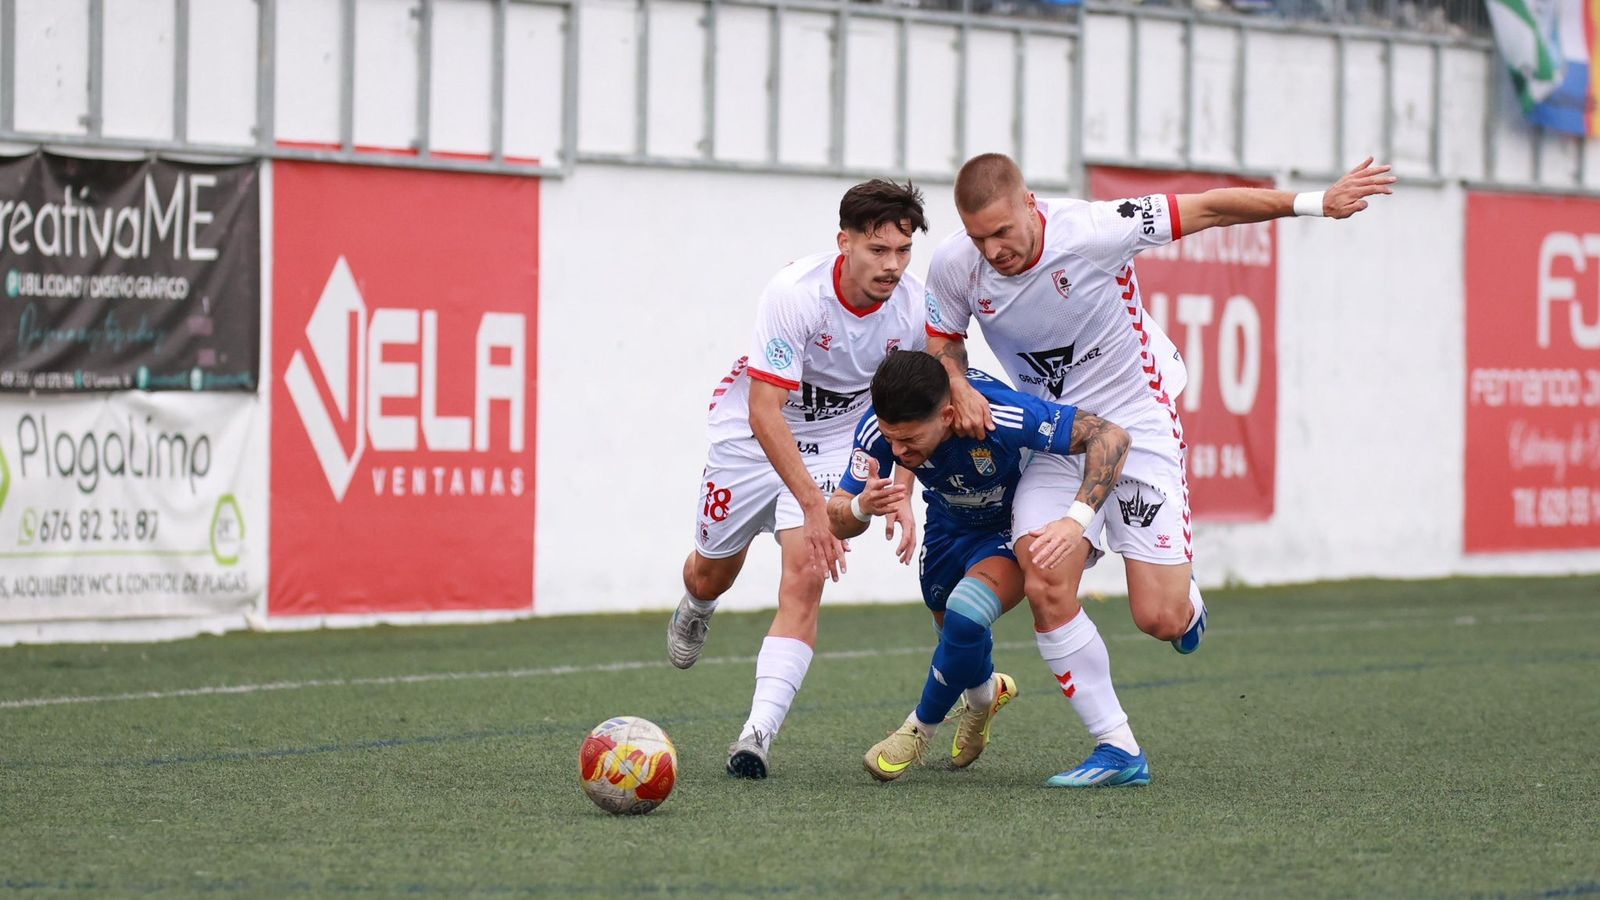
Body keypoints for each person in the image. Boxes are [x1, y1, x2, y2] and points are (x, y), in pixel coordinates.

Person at [924, 153, 1395, 785]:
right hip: (1060, 437)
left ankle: (1187, 605)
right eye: (979, 237)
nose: (993, 249)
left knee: (1159, 619)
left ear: (1031, 204)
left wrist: (1315, 201)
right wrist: (957, 382)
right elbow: (942, 342)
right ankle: (1118, 749)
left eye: (1003, 232)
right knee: (1043, 572)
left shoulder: (1094, 230)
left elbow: (1209, 207)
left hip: (1138, 425)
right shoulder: (958, 264)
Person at [667, 179, 930, 779]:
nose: (893, 266)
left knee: (808, 572)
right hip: (753, 433)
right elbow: (764, 409)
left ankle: (755, 736)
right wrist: (813, 505)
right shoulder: (795, 293)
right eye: (878, 251)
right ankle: (697, 604)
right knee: (711, 569)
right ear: (845, 243)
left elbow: (910, 408)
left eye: (903, 251)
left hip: (835, 436)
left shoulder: (914, 308)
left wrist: (904, 492)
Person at [828, 351, 1133, 783]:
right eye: (890, 439)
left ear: (949, 415)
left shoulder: (999, 415)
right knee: (951, 630)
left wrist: (1075, 520)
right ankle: (985, 694)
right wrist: (861, 505)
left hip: (1007, 529)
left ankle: (918, 729)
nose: (897, 452)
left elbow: (1111, 437)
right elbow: (836, 515)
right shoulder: (881, 431)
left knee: (966, 615)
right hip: (946, 529)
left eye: (908, 441)